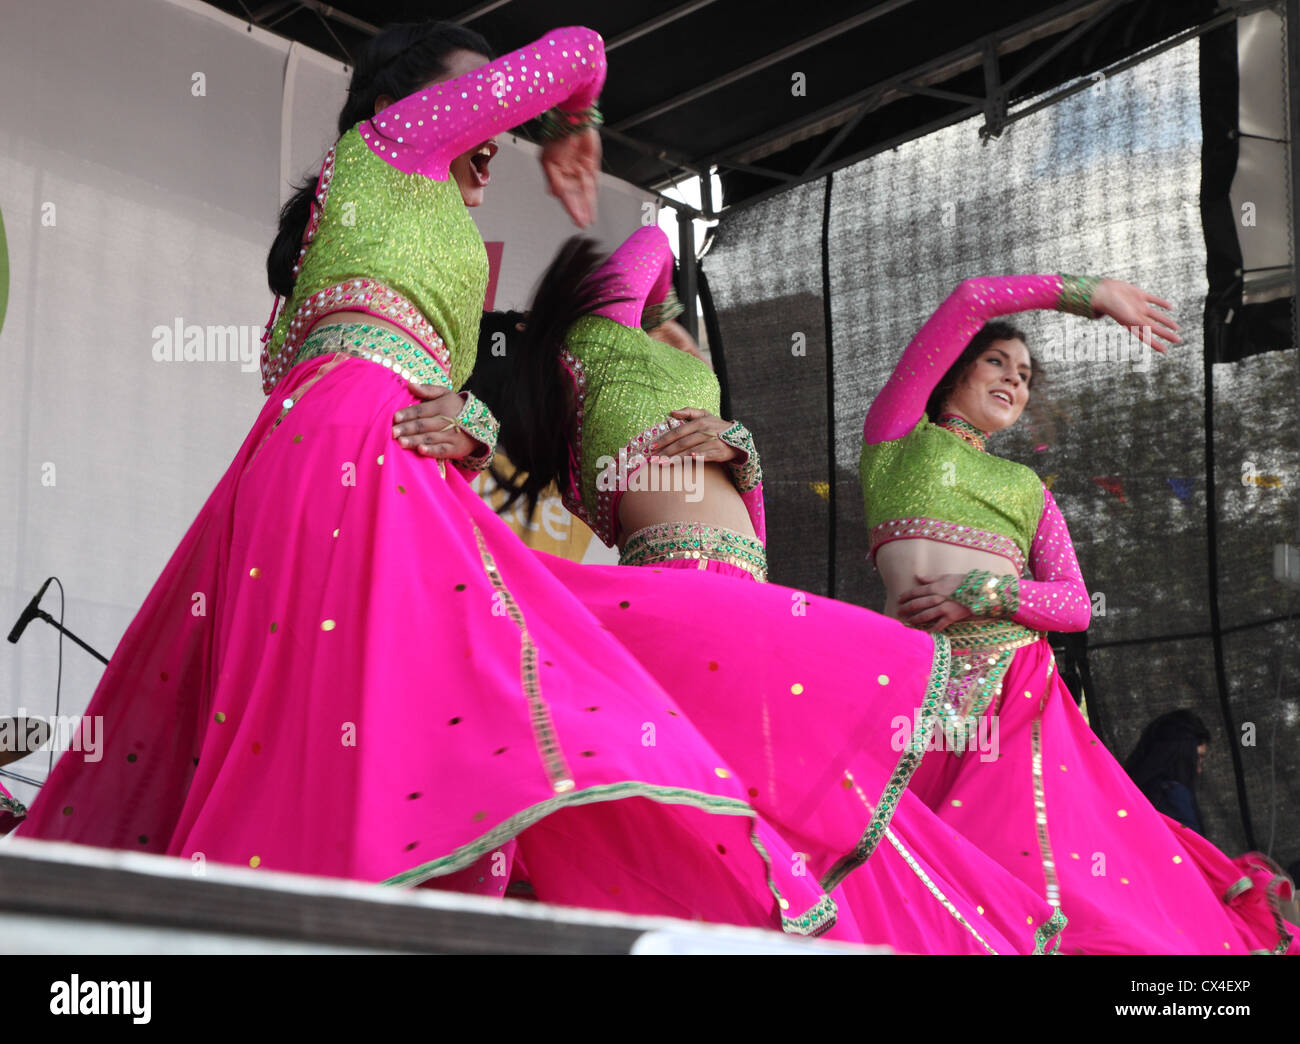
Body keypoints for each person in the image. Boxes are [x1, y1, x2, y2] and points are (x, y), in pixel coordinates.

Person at [395, 228, 1091, 954]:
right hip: (695, 598)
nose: (686, 345)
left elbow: (747, 536)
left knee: (767, 821)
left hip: (729, 598)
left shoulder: (577, 430)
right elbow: (650, 237)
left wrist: (740, 448)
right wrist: (659, 312)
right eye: (998, 362)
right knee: (790, 820)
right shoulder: (601, 335)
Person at [857, 272, 1296, 954]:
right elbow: (974, 297)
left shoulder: (1026, 486)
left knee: (1024, 879)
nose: (1014, 380)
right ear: (951, 369)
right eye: (996, 361)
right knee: (893, 866)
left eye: (1026, 375)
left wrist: (990, 592)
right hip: (908, 685)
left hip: (1012, 694)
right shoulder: (894, 441)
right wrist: (1087, 294)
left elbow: (1073, 605)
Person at [1123, 709, 1211, 833]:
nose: (1198, 770)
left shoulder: (1127, 793)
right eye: (1197, 758)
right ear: (1182, 755)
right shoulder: (1173, 795)